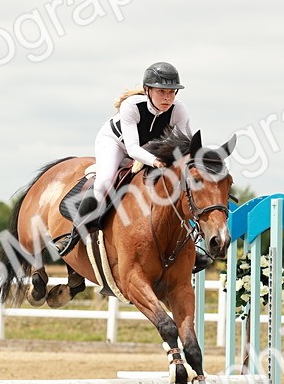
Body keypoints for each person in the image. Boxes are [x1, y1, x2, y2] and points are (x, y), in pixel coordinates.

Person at [67, 61, 212, 271]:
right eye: (161, 91)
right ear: (148, 90)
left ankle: (190, 246)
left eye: (172, 93)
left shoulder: (179, 110)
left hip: (152, 148)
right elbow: (133, 149)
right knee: (105, 181)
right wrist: (154, 161)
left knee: (180, 188)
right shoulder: (132, 106)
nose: (167, 98)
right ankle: (75, 234)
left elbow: (186, 147)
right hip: (116, 143)